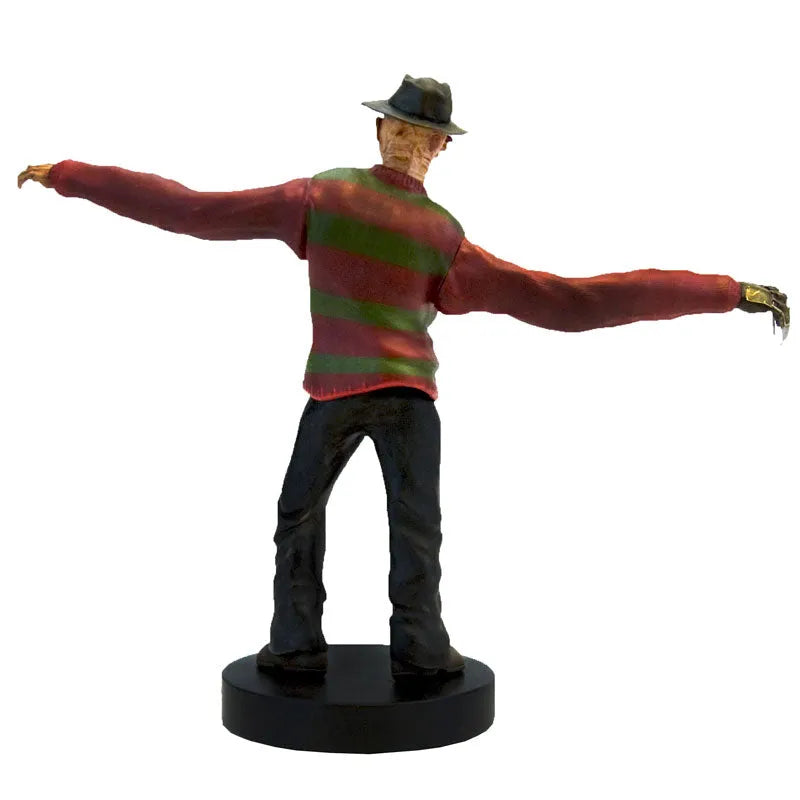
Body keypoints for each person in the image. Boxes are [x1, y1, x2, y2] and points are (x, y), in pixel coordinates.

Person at [18, 75, 790, 679]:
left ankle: (400, 651)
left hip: (391, 396)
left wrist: (727, 293)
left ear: (440, 148)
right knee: (316, 517)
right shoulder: (329, 197)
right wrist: (72, 176)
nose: (413, 142)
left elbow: (571, 302)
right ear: (382, 130)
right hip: (347, 391)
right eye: (405, 129)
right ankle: (309, 646)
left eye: (426, 135)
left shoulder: (427, 231)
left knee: (398, 526)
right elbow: (191, 209)